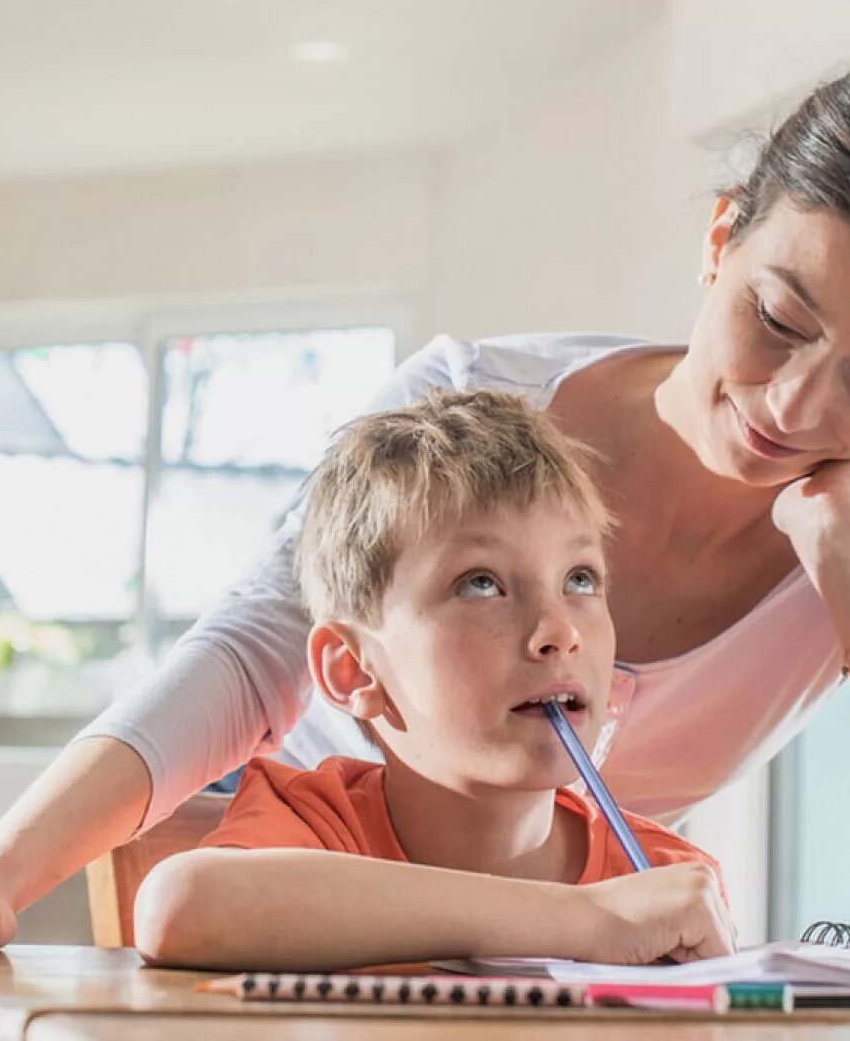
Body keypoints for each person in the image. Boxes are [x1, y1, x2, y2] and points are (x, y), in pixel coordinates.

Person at [0, 55, 850, 1037]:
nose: (799, 409)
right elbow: (254, 652)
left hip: (542, 959)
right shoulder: (476, 402)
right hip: (305, 923)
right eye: (781, 320)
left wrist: (846, 546)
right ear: (721, 237)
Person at [135, 389, 727, 971]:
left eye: (579, 579)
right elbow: (182, 907)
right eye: (480, 583)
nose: (559, 630)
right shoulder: (314, 826)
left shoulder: (661, 879)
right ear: (352, 668)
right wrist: (586, 921)